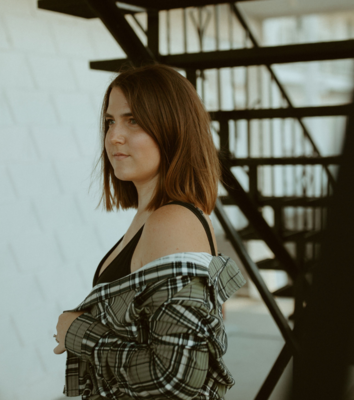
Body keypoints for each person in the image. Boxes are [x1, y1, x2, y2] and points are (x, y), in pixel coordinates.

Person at [53, 63, 245, 400]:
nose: (114, 136)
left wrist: (79, 332)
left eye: (134, 120)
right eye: (110, 121)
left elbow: (179, 376)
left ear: (173, 128)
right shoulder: (156, 215)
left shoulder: (172, 221)